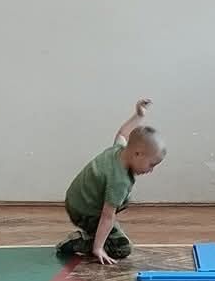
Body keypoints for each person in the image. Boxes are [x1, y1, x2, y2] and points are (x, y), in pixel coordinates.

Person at [58, 99, 166, 265]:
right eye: (151, 164)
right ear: (138, 154)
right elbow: (107, 216)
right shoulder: (119, 181)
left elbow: (123, 133)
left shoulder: (119, 150)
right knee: (122, 248)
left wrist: (138, 116)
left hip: (75, 200)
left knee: (118, 205)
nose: (151, 170)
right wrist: (98, 248)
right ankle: (81, 241)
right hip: (85, 212)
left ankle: (93, 234)